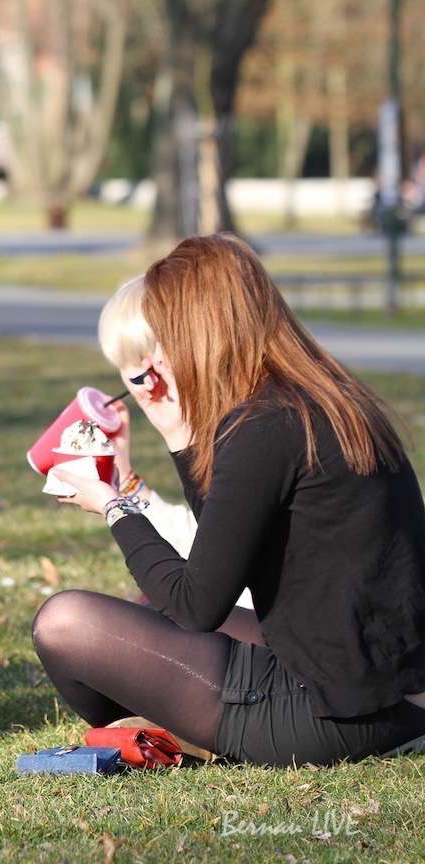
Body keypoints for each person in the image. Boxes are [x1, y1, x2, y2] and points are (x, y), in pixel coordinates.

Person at [34, 233, 425, 767]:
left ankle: (165, 729)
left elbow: (197, 604)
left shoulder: (262, 428)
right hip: (389, 681)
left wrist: (112, 505)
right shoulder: (322, 397)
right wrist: (176, 433)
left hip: (341, 712)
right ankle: (163, 722)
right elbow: (225, 554)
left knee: (65, 623)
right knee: (151, 612)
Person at [92, 277, 258, 636]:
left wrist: (113, 505)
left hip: (308, 657)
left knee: (108, 625)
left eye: (147, 373)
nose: (149, 390)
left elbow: (203, 596)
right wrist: (127, 483)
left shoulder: (253, 433)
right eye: (132, 377)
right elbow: (207, 539)